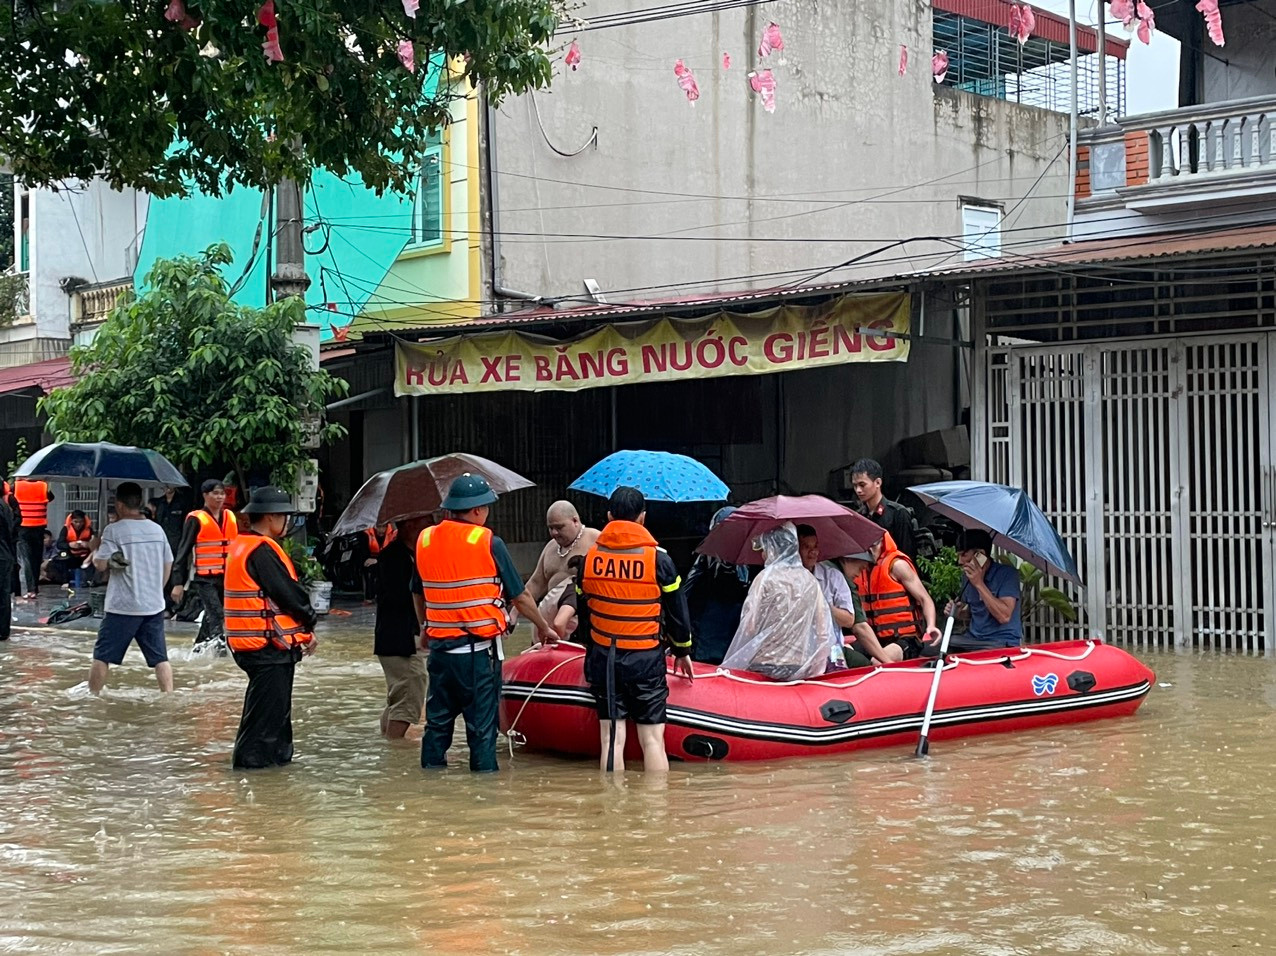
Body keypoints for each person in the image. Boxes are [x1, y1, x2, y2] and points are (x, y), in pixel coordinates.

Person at [413, 473, 559, 773]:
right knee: (482, 731)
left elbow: (417, 591)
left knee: (437, 726)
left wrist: (425, 628)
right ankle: (484, 799)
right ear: (478, 510)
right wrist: (544, 627)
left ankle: (428, 791)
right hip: (478, 657)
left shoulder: (425, 539)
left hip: (440, 654)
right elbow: (519, 597)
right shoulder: (488, 541)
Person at [573, 485, 693, 774]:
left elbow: (584, 612)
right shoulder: (659, 560)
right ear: (643, 518)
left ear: (610, 516)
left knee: (610, 739)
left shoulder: (589, 560)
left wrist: (592, 648)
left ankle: (613, 813)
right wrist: (682, 650)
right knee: (653, 741)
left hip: (605, 657)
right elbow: (677, 611)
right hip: (645, 658)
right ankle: (654, 811)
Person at [224, 486, 318, 769]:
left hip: (260, 647)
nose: (286, 523)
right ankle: (253, 778)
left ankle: (275, 780)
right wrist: (309, 621)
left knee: (273, 719)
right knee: (264, 725)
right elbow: (290, 595)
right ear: (271, 517)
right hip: (267, 649)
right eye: (284, 516)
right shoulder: (261, 550)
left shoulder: (242, 545)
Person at [86, 483, 175, 695]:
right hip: (153, 605)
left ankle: (92, 698)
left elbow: (100, 564)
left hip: (122, 607)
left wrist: (95, 547)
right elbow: (168, 562)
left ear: (119, 504)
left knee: (102, 656)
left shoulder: (114, 530)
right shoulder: (157, 529)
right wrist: (156, 590)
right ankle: (169, 696)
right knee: (160, 658)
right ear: (140, 502)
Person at [721, 523, 834, 681]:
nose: (762, 555)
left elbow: (750, 625)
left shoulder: (765, 579)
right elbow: (823, 630)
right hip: (799, 665)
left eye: (765, 549)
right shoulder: (810, 580)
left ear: (772, 549)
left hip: (765, 664)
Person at [794, 525, 899, 666]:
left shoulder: (833, 576)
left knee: (864, 665)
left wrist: (819, 603)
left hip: (829, 650)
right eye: (807, 547)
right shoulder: (782, 580)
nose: (813, 552)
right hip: (795, 651)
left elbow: (851, 620)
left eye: (816, 547)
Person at [374, 517, 428, 738]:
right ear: (409, 526)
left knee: (399, 696)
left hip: (394, 638)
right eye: (426, 523)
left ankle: (389, 742)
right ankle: (395, 747)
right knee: (411, 691)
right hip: (399, 638)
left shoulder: (405, 554)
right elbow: (401, 597)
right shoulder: (395, 557)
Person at [170, 479, 239, 651]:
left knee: (212, 616)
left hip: (227, 577)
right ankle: (219, 655)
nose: (219, 497)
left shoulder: (230, 516)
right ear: (205, 495)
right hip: (205, 579)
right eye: (215, 493)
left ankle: (198, 650)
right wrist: (178, 582)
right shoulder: (196, 519)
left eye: (222, 493)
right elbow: (183, 550)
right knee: (217, 615)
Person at [853, 531, 942, 660]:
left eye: (874, 545)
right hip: (874, 639)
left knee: (877, 661)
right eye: (867, 547)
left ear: (883, 543)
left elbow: (925, 599)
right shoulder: (859, 569)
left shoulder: (897, 565)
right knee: (842, 655)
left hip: (905, 639)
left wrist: (931, 625)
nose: (871, 551)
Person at [684, 506, 751, 665]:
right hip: (727, 632)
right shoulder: (747, 557)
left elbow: (686, 590)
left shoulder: (706, 554)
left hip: (710, 632)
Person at [937, 529, 1023, 652]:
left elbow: (1004, 616)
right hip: (973, 638)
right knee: (936, 646)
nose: (960, 561)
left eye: (964, 555)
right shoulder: (967, 577)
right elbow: (973, 612)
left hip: (1001, 641)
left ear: (980, 554)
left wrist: (979, 583)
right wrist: (957, 612)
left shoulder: (1007, 574)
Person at [525, 500, 599, 639]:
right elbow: (535, 583)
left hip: (582, 623)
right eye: (550, 528)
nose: (554, 532)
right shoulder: (550, 547)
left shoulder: (596, 540)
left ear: (575, 521)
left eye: (559, 527)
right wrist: (514, 613)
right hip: (548, 621)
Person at [850, 458, 919, 561]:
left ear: (877, 482)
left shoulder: (898, 513)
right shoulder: (858, 516)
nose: (858, 490)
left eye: (862, 485)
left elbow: (907, 555)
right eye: (855, 486)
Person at [14, 477, 53, 599]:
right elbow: (51, 498)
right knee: (36, 558)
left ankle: (31, 589)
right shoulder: (43, 486)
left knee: (27, 559)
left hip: (23, 527)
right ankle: (34, 588)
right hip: (39, 527)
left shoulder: (17, 486)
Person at [361, 522, 398, 603]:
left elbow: (393, 552)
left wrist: (378, 560)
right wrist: (368, 559)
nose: (381, 530)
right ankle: (369, 596)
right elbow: (363, 551)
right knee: (368, 569)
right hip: (371, 558)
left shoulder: (393, 533)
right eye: (379, 526)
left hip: (386, 559)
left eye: (383, 527)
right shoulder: (366, 534)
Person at [56, 510, 94, 588]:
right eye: (76, 522)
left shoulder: (89, 530)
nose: (78, 524)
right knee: (62, 556)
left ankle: (90, 580)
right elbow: (59, 544)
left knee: (94, 556)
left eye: (81, 522)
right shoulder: (66, 529)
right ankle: (65, 581)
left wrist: (87, 544)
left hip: (84, 555)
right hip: (70, 555)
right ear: (72, 521)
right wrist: (70, 545)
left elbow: (95, 544)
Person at [0, 491, 13, 640]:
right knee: (3, 594)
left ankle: (3, 630)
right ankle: (3, 631)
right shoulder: (5, 506)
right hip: (5, 554)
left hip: (2, 555)